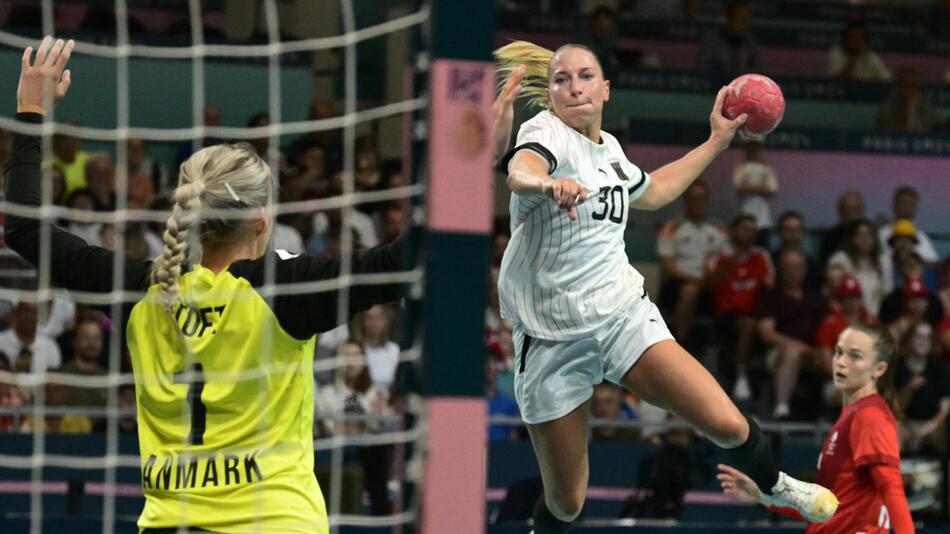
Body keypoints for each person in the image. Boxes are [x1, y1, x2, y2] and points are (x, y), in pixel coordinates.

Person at [4, 36, 407, 533]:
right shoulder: (287, 289)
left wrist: (30, 110)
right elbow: (407, 259)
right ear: (262, 221)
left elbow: (24, 227)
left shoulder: (142, 290)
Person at [494, 40, 837, 534]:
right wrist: (548, 185)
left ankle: (775, 486)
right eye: (561, 80)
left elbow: (654, 191)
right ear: (550, 95)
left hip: (620, 317)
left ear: (606, 89)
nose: (574, 87)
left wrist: (718, 140)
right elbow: (520, 169)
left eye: (585, 76)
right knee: (567, 503)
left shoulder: (609, 150)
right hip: (551, 338)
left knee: (727, 424)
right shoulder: (544, 132)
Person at [718, 324, 915, 533]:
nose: (841, 362)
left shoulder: (870, 415)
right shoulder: (852, 413)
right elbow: (823, 509)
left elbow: (891, 487)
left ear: (879, 369)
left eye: (855, 356)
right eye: (839, 352)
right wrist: (761, 496)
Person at [657, 180, 728, 341]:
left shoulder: (718, 228)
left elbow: (726, 262)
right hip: (680, 281)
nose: (698, 202)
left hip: (712, 282)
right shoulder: (672, 227)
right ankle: (682, 343)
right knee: (690, 290)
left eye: (702, 198)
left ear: (707, 200)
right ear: (685, 200)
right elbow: (667, 265)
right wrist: (695, 280)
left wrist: (713, 278)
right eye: (693, 198)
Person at [878, 186, 939, 264]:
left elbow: (934, 263)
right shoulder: (881, 235)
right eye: (903, 204)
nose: (906, 209)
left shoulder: (921, 237)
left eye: (911, 205)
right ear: (894, 206)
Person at [732, 139, 777, 237]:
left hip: (763, 220)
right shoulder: (740, 168)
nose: (753, 150)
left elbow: (771, 191)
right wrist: (761, 186)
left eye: (756, 147)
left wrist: (749, 186)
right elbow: (740, 189)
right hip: (744, 216)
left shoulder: (768, 170)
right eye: (750, 147)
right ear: (745, 148)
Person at [827, 22, 891, 81]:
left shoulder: (871, 57)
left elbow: (888, 80)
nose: (857, 42)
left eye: (860, 38)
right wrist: (853, 59)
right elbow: (834, 83)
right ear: (845, 39)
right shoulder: (835, 54)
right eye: (853, 37)